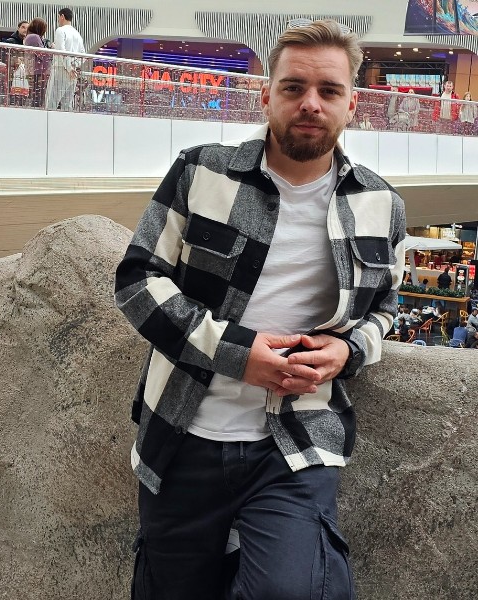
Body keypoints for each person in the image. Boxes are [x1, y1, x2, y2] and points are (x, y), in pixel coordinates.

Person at [115, 19, 406, 600]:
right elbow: (138, 279)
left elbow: (386, 307)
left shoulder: (381, 204)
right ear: (266, 95)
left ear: (352, 104)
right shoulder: (201, 171)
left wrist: (348, 351)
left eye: (329, 90)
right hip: (182, 433)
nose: (311, 103)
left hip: (297, 442)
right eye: (294, 87)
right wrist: (236, 354)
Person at [45, 8, 85, 111]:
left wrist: (69, 67)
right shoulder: (78, 34)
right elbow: (83, 55)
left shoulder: (60, 30)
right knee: (67, 104)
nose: (58, 19)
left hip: (60, 68)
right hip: (73, 73)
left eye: (59, 17)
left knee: (51, 101)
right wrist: (74, 66)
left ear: (62, 16)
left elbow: (61, 50)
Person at [24, 17, 51, 108]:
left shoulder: (30, 36)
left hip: (35, 70)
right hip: (37, 71)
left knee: (36, 95)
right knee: (38, 95)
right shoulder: (34, 37)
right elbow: (42, 53)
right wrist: (51, 49)